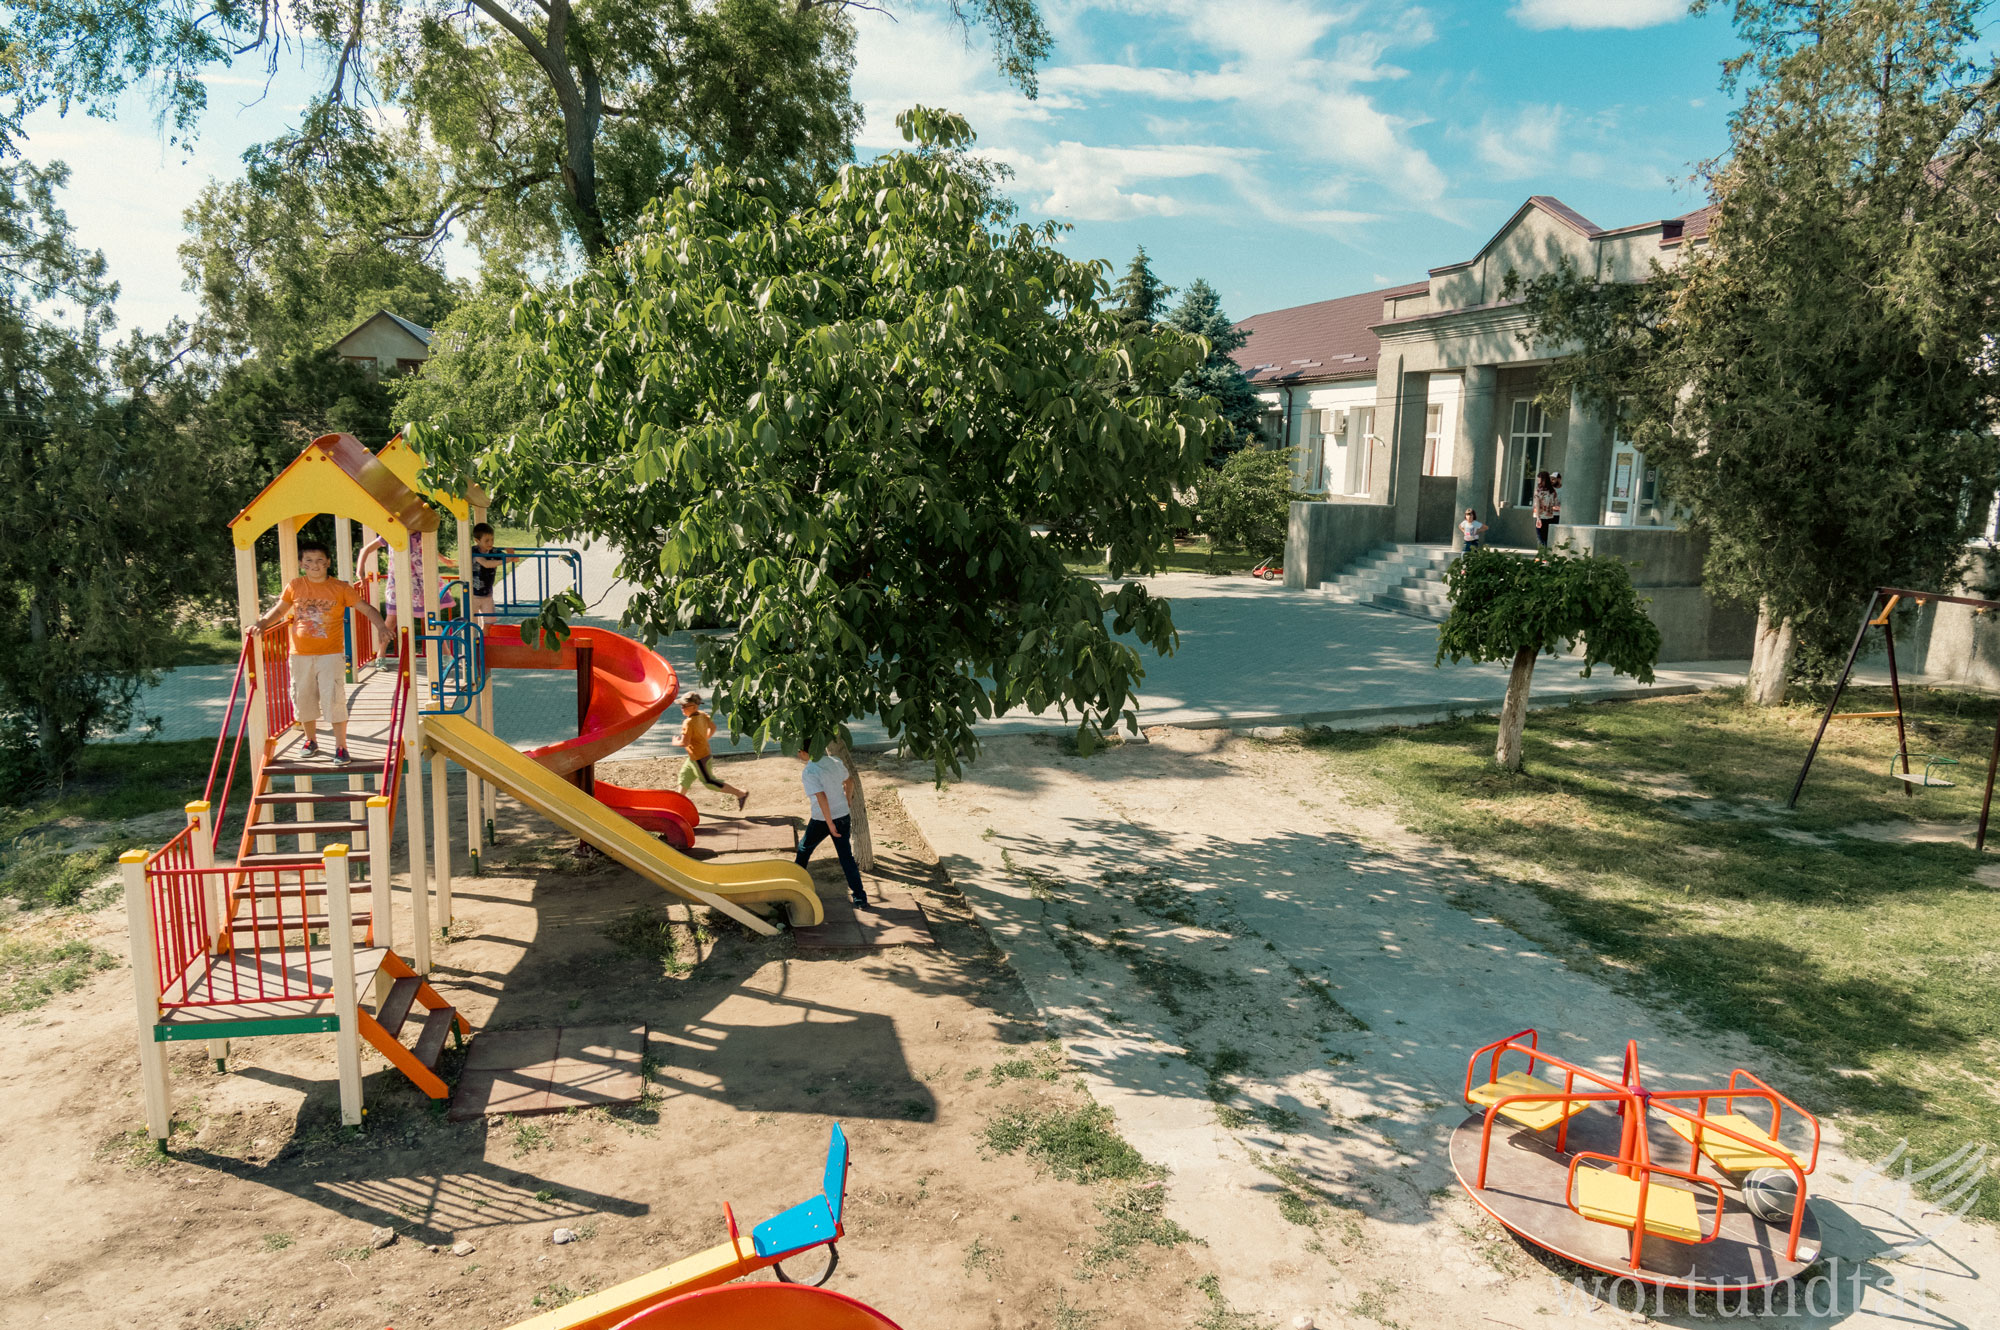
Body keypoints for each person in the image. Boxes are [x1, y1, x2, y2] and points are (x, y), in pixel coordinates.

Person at [253, 539, 390, 762]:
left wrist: (381, 626)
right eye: (309, 560)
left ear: (328, 562)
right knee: (303, 697)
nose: (315, 564)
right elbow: (279, 611)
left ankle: (341, 747)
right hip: (299, 655)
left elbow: (366, 608)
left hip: (330, 654)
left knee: (333, 698)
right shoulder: (295, 586)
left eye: (319, 560)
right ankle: (311, 740)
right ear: (302, 564)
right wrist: (262, 624)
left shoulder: (340, 588)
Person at [795, 745, 867, 907]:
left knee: (804, 849)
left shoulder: (809, 771)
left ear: (806, 752)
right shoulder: (835, 761)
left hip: (822, 819)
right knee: (846, 857)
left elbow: (821, 798)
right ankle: (860, 897)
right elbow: (849, 781)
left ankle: (795, 886)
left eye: (799, 751)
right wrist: (847, 800)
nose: (798, 754)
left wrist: (829, 823)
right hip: (842, 815)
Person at [358, 531, 455, 635]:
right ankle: (381, 651)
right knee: (391, 619)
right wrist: (359, 572)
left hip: (421, 580)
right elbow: (365, 549)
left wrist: (444, 559)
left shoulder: (420, 533)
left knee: (429, 618)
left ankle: (444, 650)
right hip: (399, 581)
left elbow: (429, 548)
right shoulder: (391, 532)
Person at [675, 693, 748, 811]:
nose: (682, 708)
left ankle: (740, 793)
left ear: (694, 706)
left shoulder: (688, 723)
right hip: (697, 756)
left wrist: (675, 742)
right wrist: (705, 738)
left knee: (709, 782)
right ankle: (678, 804)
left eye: (685, 706)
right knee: (684, 777)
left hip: (699, 758)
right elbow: (713, 727)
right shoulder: (703, 715)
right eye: (682, 706)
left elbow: (685, 742)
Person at [467, 523, 509, 623]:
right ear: (477, 541)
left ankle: (484, 638)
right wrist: (507, 560)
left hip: (487, 594)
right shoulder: (474, 551)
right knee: (472, 621)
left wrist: (511, 554)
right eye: (487, 540)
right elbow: (486, 564)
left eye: (492, 540)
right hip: (473, 594)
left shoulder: (494, 551)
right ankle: (474, 638)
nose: (490, 543)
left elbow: (512, 559)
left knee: (490, 621)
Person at [1532, 471, 1561, 555]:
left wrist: (1538, 518)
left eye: (1539, 479)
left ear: (1542, 480)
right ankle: (1547, 557)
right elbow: (1556, 504)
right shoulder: (1553, 491)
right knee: (1546, 538)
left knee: (1541, 538)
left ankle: (1541, 557)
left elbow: (1537, 505)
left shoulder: (1538, 491)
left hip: (1540, 516)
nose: (1538, 481)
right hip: (1550, 517)